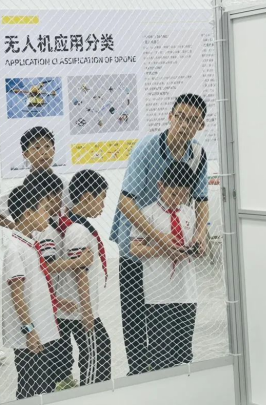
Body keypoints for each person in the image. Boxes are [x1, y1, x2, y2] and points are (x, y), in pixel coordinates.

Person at [110, 93, 209, 375]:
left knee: (173, 305)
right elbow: (126, 201)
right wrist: (156, 236)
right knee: (134, 309)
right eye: (180, 117)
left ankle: (173, 366)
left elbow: (202, 199)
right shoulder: (146, 148)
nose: (184, 125)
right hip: (139, 241)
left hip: (174, 246)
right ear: (170, 116)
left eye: (192, 120)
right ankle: (139, 371)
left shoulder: (198, 154)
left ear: (201, 125)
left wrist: (200, 234)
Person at [23, 171, 93, 391]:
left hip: (54, 299)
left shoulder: (56, 223)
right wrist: (78, 261)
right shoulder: (45, 230)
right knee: (56, 350)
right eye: (55, 196)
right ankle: (61, 387)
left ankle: (61, 383)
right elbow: (47, 265)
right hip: (51, 300)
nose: (60, 201)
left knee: (58, 349)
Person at [130, 162, 199, 370]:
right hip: (159, 294)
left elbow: (197, 245)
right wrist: (163, 249)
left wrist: (196, 249)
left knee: (184, 353)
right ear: (161, 186)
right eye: (173, 193)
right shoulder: (147, 214)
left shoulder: (190, 213)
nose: (177, 199)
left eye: (183, 195)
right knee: (161, 354)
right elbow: (135, 249)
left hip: (186, 291)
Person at [3, 184, 60, 399]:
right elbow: (17, 294)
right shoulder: (14, 250)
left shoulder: (29, 244)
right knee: (30, 388)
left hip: (41, 329)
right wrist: (29, 330)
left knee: (44, 385)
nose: (48, 214)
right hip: (31, 335)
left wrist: (57, 301)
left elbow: (35, 285)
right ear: (28, 214)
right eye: (44, 209)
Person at [55, 170, 112, 385]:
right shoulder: (77, 230)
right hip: (80, 309)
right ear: (87, 197)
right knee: (97, 353)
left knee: (97, 349)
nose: (103, 205)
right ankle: (92, 393)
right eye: (101, 198)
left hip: (78, 307)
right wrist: (88, 313)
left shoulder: (77, 224)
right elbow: (80, 272)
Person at [0, 126, 72, 229]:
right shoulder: (22, 187)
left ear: (54, 150)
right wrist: (19, 229)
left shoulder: (64, 183)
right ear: (25, 154)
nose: (44, 152)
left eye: (47, 146)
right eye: (37, 148)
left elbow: (79, 207)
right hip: (36, 238)